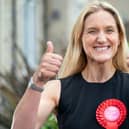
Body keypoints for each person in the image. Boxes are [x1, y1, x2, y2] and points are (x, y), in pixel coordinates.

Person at [11, 1, 129, 129]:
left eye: (109, 30)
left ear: (119, 38)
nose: (101, 38)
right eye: (92, 31)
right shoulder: (57, 89)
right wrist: (37, 82)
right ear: (79, 39)